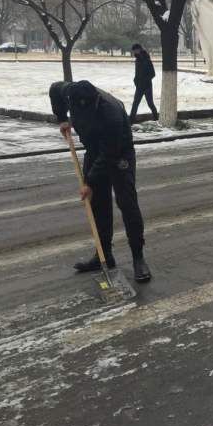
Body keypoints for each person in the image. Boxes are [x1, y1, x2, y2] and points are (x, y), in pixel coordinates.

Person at [50, 80, 152, 282]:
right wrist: (62, 118)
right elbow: (54, 90)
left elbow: (109, 154)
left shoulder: (110, 113)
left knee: (127, 202)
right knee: (97, 203)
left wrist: (89, 182)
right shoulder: (69, 91)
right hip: (94, 149)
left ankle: (138, 257)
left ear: (95, 101)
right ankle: (103, 255)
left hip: (119, 152)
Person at [129, 43, 158, 123]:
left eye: (135, 50)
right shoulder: (137, 60)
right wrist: (135, 80)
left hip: (147, 86)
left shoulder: (147, 60)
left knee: (150, 103)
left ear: (139, 49)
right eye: (133, 51)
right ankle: (131, 121)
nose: (134, 52)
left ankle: (156, 118)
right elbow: (137, 73)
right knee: (135, 103)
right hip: (139, 86)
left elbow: (153, 74)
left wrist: (145, 81)